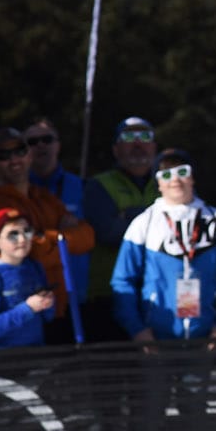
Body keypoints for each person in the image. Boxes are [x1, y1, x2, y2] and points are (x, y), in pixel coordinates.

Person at [111, 149, 216, 431]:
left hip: (199, 340)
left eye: (182, 172)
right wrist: (138, 329)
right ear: (157, 181)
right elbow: (122, 282)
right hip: (156, 340)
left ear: (194, 176)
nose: (176, 180)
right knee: (149, 419)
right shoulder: (145, 223)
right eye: (167, 174)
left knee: (195, 421)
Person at [0, 126, 95, 339]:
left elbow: (87, 238)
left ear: (29, 155)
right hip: (15, 321)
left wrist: (46, 239)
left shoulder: (43, 197)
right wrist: (60, 237)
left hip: (55, 309)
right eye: (3, 155)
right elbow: (32, 253)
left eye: (20, 151)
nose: (14, 160)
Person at [22, 117, 110, 341]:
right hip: (36, 298)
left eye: (47, 139)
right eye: (32, 142)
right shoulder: (20, 191)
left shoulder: (81, 186)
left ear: (58, 145)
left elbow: (91, 234)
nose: (40, 145)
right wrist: (61, 234)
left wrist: (46, 235)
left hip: (77, 296)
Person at [83, 117, 160, 302]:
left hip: (159, 291)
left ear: (154, 146)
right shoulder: (98, 185)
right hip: (109, 293)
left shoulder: (167, 183)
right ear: (115, 150)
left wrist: (129, 216)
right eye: (128, 137)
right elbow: (109, 233)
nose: (137, 142)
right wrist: (157, 220)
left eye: (144, 136)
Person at [0, 210, 56, 348]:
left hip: (38, 351)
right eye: (13, 235)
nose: (22, 239)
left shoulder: (35, 267)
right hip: (6, 359)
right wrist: (27, 308)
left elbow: (48, 317)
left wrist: (47, 303)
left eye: (27, 231)